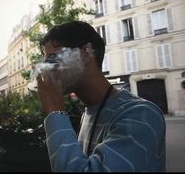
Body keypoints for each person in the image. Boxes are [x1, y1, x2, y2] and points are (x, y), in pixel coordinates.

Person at [36, 21, 166, 172]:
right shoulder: (89, 112)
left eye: (53, 59)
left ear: (85, 54)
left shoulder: (141, 115)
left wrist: (54, 111)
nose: (46, 69)